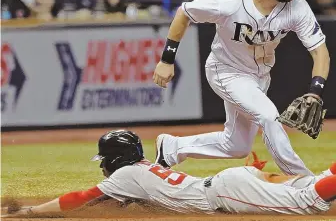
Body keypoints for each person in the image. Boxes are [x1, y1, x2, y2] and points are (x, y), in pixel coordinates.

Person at [152, 0, 330, 176]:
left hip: (260, 76)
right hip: (227, 71)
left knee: (236, 145)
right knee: (268, 116)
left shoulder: (297, 6)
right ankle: (303, 180)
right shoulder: (229, 2)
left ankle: (171, 149)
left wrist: (315, 91)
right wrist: (167, 60)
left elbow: (319, 51)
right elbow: (184, 12)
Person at [3, 130, 336, 217]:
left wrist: (31, 211)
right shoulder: (143, 170)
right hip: (231, 182)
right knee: (310, 180)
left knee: (310, 199)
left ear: (114, 159)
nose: (103, 165)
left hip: (225, 192)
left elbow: (81, 199)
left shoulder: (125, 177)